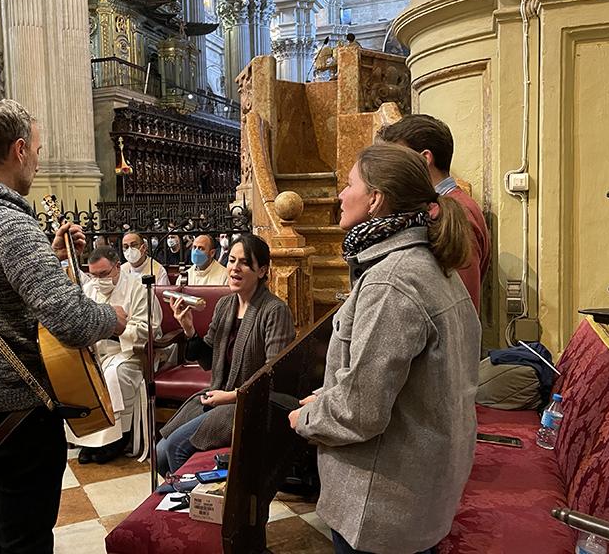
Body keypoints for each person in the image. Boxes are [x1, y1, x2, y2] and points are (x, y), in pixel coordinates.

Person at [0, 99, 128, 554]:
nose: (38, 160)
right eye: (37, 150)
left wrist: (51, 255)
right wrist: (112, 318)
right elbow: (72, 321)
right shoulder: (8, 223)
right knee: (27, 544)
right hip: (19, 413)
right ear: (19, 150)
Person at [288, 143, 480, 554]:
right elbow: (406, 383)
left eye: (350, 183)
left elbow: (361, 412)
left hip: (382, 504)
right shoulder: (427, 265)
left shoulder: (391, 282)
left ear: (375, 198)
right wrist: (328, 394)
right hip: (416, 491)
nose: (340, 194)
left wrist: (307, 417)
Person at [155, 234, 296, 476]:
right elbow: (208, 360)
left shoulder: (274, 310)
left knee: (177, 448)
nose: (234, 268)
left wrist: (231, 396)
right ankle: (191, 501)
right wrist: (188, 328)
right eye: (231, 260)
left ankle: (205, 506)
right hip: (220, 394)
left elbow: (274, 375)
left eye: (244, 262)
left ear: (262, 271)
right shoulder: (225, 305)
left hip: (251, 403)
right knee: (160, 453)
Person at [377, 114, 490, 312]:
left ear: (424, 158)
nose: (391, 168)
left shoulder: (454, 214)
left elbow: (462, 304)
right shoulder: (443, 207)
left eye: (398, 157)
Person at [68, 246, 162, 464]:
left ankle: (116, 440)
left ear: (117, 267)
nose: (98, 280)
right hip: (96, 351)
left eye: (104, 274)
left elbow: (149, 327)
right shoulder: (89, 289)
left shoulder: (137, 288)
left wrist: (118, 329)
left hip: (127, 352)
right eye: (94, 275)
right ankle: (88, 440)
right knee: (81, 376)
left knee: (114, 375)